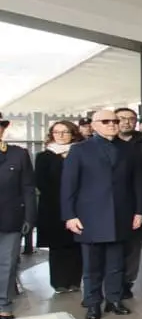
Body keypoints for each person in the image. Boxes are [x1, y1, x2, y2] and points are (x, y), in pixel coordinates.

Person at [60, 108, 142, 319]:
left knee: (117, 262)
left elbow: (137, 183)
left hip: (121, 214)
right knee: (92, 265)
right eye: (106, 121)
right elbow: (69, 185)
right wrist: (69, 215)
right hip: (90, 216)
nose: (112, 124)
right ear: (94, 125)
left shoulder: (129, 149)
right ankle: (93, 303)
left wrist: (139, 211)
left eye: (115, 121)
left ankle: (114, 300)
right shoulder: (80, 150)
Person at [34, 121, 83, 295]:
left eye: (65, 132)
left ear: (73, 134)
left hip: (78, 206)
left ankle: (75, 280)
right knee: (57, 247)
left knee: (77, 245)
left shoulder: (80, 153)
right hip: (53, 207)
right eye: (57, 132)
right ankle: (59, 282)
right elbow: (41, 182)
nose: (61, 135)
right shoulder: (44, 156)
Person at [115, 107, 142, 299]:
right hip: (110, 200)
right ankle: (111, 280)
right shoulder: (106, 143)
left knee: (133, 244)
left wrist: (140, 187)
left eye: (131, 118)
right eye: (122, 118)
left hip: (138, 199)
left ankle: (127, 282)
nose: (126, 122)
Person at [0, 112, 36, 319]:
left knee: (7, 263)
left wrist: (30, 217)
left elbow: (28, 188)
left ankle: (3, 304)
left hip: (10, 217)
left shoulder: (18, 154)